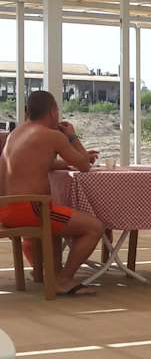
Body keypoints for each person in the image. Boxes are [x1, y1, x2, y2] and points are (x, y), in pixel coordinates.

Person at [0, 91, 102, 296]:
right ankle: (62, 280)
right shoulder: (52, 136)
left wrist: (67, 162)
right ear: (53, 112)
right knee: (94, 227)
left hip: (7, 209)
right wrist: (72, 136)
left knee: (57, 215)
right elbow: (84, 166)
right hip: (30, 209)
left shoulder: (16, 134)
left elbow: (40, 163)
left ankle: (46, 273)